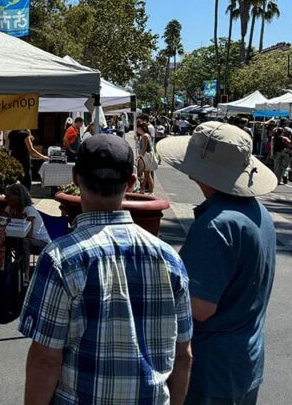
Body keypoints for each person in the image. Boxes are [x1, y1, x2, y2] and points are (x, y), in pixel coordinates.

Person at [20, 134, 193, 405]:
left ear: (75, 178)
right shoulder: (169, 258)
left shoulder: (60, 258)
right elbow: (183, 355)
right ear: (131, 183)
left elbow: (45, 359)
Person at [157, 122, 277, 405]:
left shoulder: (217, 225)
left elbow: (198, 307)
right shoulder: (258, 213)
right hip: (244, 362)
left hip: (210, 371)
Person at [3, 182, 50, 252]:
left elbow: (28, 234)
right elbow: (2, 222)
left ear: (18, 196)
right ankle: (6, 262)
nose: (5, 198)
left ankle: (22, 263)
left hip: (42, 243)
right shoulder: (9, 208)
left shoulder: (29, 210)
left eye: (8, 196)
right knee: (5, 240)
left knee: (23, 242)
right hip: (23, 240)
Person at [136, 122, 156, 193]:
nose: (136, 130)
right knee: (147, 174)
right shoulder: (147, 135)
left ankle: (146, 190)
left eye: (137, 128)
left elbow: (144, 148)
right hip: (148, 156)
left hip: (146, 156)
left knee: (146, 174)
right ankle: (145, 189)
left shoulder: (144, 136)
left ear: (141, 129)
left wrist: (139, 157)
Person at [270, 121, 291, 185]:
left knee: (277, 167)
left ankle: (277, 180)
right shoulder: (284, 138)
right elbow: (290, 145)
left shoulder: (273, 138)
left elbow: (272, 146)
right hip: (285, 152)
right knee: (285, 166)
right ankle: (284, 174)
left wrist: (272, 154)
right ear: (282, 132)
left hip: (277, 153)